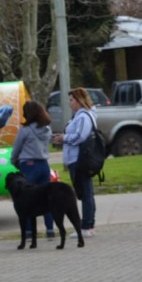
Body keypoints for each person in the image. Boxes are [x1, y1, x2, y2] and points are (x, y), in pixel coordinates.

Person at [53, 88, 97, 237]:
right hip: (76, 159)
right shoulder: (78, 116)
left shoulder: (83, 116)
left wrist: (64, 138)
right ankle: (89, 224)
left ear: (79, 101)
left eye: (71, 100)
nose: (69, 103)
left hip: (80, 159)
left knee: (85, 193)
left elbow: (81, 136)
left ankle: (86, 226)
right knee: (85, 192)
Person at [11, 100, 55, 240]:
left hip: (28, 165)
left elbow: (16, 149)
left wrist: (14, 162)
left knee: (27, 200)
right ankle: (50, 230)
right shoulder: (47, 129)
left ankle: (29, 232)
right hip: (44, 165)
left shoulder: (25, 130)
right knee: (46, 199)